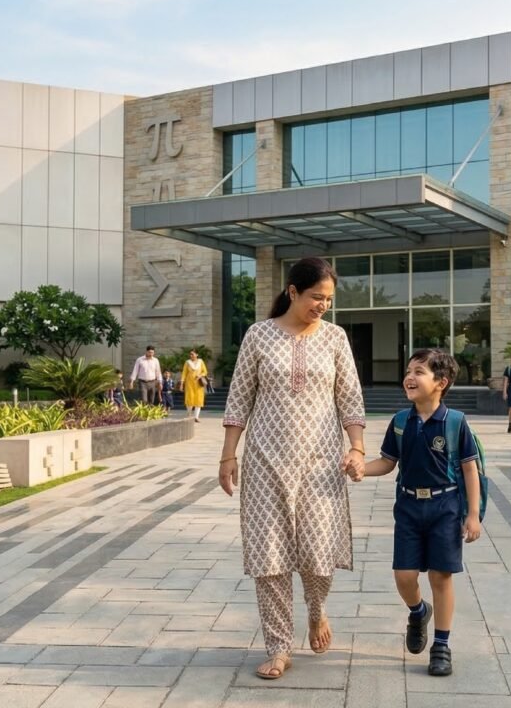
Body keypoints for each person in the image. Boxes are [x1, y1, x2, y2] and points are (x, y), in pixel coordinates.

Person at [219, 257, 366, 681]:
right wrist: (228, 457)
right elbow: (239, 399)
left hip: (321, 464)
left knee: (318, 555)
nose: (323, 305)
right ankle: (279, 646)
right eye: (316, 297)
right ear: (292, 291)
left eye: (328, 299)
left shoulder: (335, 338)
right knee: (270, 557)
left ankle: (317, 611)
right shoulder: (258, 335)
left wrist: (356, 449)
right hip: (265, 462)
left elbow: (350, 400)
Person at [361, 348, 482, 677]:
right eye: (409, 371)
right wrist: (359, 468)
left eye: (419, 372)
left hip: (446, 506)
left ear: (441, 382)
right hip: (409, 506)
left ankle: (441, 646)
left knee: (440, 577)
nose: (409, 377)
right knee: (404, 576)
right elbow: (387, 463)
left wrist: (472, 515)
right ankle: (418, 611)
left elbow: (470, 469)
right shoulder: (401, 422)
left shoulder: (455, 422)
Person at [181, 350, 207, 422]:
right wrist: (182, 383)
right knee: (190, 398)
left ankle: (196, 417)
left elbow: (205, 371)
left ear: (197, 354)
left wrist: (200, 375)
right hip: (189, 383)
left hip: (198, 384)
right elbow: (184, 373)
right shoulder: (187, 362)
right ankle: (189, 415)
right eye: (190, 354)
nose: (191, 355)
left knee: (198, 399)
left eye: (192, 354)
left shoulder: (201, 362)